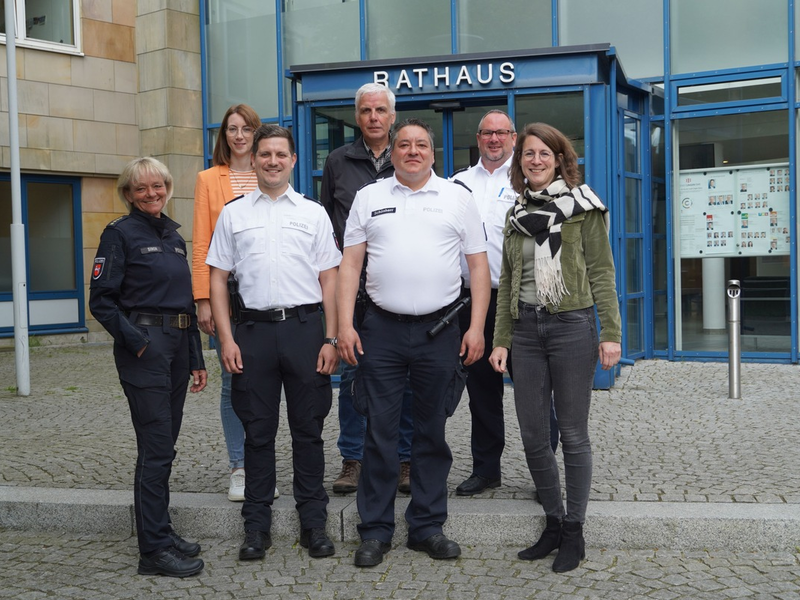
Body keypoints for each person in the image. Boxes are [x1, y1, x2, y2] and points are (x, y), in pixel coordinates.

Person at [337, 118, 490, 567]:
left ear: (433, 152)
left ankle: (426, 526)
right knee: (379, 433)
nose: (412, 151)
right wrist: (344, 326)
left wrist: (476, 327)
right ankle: (376, 531)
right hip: (380, 330)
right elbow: (349, 267)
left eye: (421, 144)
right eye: (404, 144)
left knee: (431, 432)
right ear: (394, 151)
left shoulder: (457, 198)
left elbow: (478, 269)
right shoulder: (370, 197)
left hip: (440, 331)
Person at [489, 123, 621, 573]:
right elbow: (508, 279)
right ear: (519, 161)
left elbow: (602, 272)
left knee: (573, 434)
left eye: (545, 152)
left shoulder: (584, 207)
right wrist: (501, 339)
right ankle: (552, 518)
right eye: (528, 153)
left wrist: (611, 334)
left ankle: (575, 530)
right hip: (525, 331)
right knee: (531, 436)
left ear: (560, 158)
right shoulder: (515, 214)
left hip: (571, 327)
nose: (536, 160)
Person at [206, 124, 340, 561]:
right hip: (252, 334)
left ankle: (313, 525)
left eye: (280, 154)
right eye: (265, 154)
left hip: (305, 331)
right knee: (256, 433)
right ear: (255, 159)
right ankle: (256, 527)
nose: (272, 161)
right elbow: (218, 279)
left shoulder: (314, 213)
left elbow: (330, 279)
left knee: (308, 431)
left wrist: (332, 338)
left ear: (293, 160)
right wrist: (225, 339)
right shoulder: (233, 214)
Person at [89, 157, 207, 578]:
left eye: (158, 185)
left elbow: (185, 304)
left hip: (176, 347)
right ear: (128, 194)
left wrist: (195, 358)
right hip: (146, 348)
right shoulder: (119, 235)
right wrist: (138, 343)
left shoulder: (173, 237)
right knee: (155, 450)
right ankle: (152, 551)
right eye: (141, 188)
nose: (151, 193)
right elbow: (101, 300)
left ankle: (161, 529)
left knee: (165, 447)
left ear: (167, 187)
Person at [321, 82, 415, 495]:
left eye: (380, 111)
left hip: (398, 284)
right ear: (356, 116)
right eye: (365, 111)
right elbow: (328, 226)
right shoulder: (338, 162)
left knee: (406, 376)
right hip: (352, 289)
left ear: (392, 116)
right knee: (355, 373)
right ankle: (353, 459)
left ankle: (405, 459)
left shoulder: (409, 156)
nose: (373, 117)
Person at [191, 104, 281, 503]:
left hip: (270, 299)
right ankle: (239, 467)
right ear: (223, 135)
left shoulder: (275, 173)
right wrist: (203, 299)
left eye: (247, 129)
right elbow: (200, 243)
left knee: (268, 384)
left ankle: (263, 467)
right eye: (232, 129)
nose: (240, 135)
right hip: (228, 299)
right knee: (233, 382)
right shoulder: (209, 180)